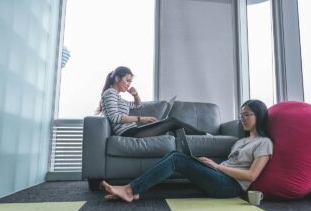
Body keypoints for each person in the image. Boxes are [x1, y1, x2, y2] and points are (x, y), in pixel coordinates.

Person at [102, 99, 273, 202]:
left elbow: (251, 176)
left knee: (176, 158)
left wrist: (217, 166)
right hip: (220, 176)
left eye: (246, 115)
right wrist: (208, 164)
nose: (242, 119)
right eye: (241, 115)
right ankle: (134, 190)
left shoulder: (264, 143)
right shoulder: (242, 140)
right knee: (175, 155)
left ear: (259, 116)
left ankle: (130, 190)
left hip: (230, 187)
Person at [97, 66, 207, 137]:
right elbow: (115, 117)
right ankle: (204, 135)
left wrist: (135, 95)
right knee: (172, 122)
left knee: (171, 124)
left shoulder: (117, 97)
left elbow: (138, 106)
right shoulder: (110, 93)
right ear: (117, 78)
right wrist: (143, 119)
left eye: (130, 82)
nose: (128, 84)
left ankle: (200, 138)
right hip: (128, 133)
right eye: (127, 80)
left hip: (132, 130)